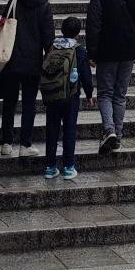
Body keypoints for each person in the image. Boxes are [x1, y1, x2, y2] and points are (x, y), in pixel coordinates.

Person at [85, 0, 135, 155]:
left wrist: (92, 52)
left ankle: (109, 130)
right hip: (128, 51)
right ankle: (118, 135)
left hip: (106, 51)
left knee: (105, 93)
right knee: (120, 94)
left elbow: (93, 26)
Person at [0, 0, 54, 157]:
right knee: (29, 103)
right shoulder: (44, 6)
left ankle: (6, 143)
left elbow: (2, 24)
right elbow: (49, 38)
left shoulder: (15, 0)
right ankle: (25, 145)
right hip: (32, 62)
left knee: (9, 101)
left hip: (11, 59)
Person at [40, 12, 93, 180]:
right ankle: (69, 167)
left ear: (62, 30)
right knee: (69, 130)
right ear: (78, 32)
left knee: (52, 130)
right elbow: (85, 75)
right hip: (71, 96)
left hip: (52, 95)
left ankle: (50, 167)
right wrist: (90, 93)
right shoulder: (79, 50)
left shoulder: (53, 47)